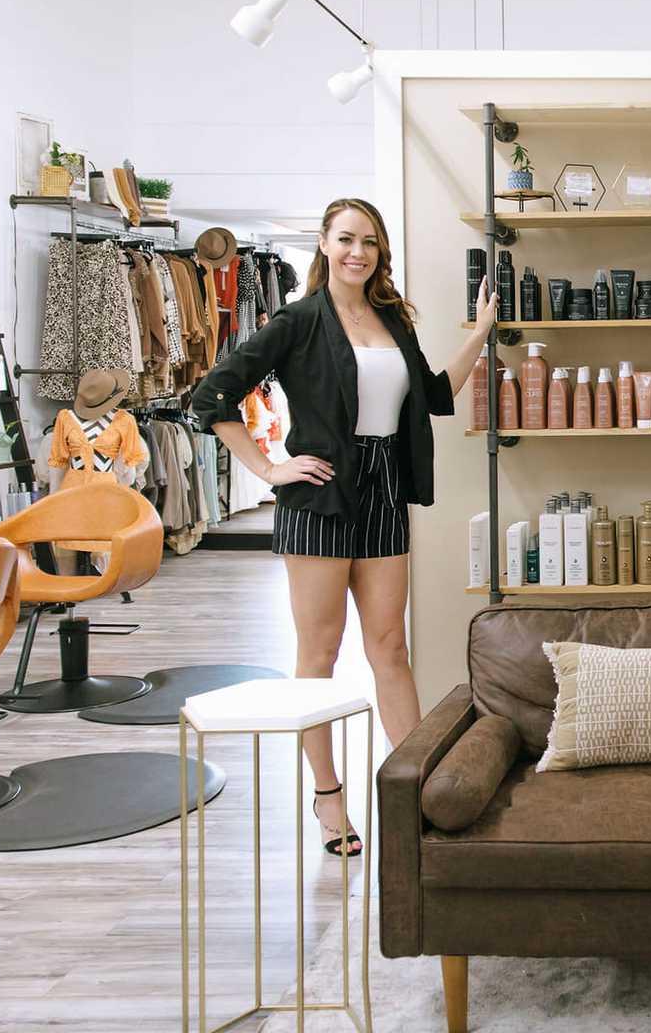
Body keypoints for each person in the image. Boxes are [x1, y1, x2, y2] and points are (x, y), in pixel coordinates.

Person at [194, 197, 497, 855]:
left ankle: (415, 790)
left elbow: (433, 396)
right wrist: (269, 468)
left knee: (390, 649)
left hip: (385, 488)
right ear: (324, 245)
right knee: (319, 655)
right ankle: (328, 798)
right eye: (346, 239)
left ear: (380, 251)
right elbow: (212, 397)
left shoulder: (392, 320)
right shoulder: (299, 320)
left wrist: (480, 332)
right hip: (321, 497)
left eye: (370, 241)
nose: (358, 251)